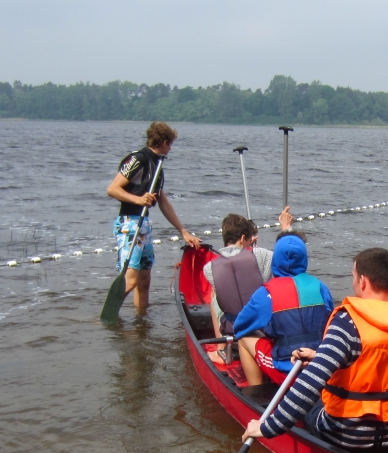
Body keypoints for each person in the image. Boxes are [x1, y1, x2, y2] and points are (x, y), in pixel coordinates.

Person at [241, 247, 388, 453]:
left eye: (353, 276)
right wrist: (319, 356)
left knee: (313, 398)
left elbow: (310, 383)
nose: (353, 282)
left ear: (363, 281)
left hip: (346, 435)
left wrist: (267, 427)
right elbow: (374, 360)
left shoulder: (348, 322)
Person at [105, 121, 200, 313]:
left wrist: (183, 231)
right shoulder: (138, 160)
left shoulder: (157, 166)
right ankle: (107, 318)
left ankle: (141, 320)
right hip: (129, 224)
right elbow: (112, 189)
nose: (171, 148)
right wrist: (138, 200)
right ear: (164, 143)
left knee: (144, 280)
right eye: (170, 144)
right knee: (130, 281)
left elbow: (163, 202)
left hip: (144, 225)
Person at [231, 234, 333, 386]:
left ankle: (256, 392)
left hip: (288, 374)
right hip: (319, 367)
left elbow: (239, 328)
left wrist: (267, 329)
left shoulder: (265, 293)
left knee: (244, 338)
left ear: (276, 259)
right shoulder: (320, 287)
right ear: (304, 259)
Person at [203, 207, 294, 336]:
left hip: (233, 329)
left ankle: (221, 343)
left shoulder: (209, 268)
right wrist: (286, 227)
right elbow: (289, 255)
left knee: (214, 295)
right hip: (261, 327)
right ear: (242, 238)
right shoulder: (260, 255)